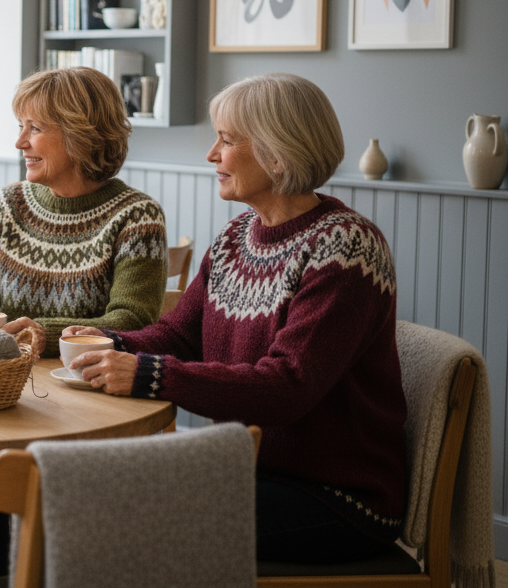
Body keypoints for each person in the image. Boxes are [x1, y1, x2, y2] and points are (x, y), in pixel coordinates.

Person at [68, 73, 407, 564]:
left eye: (226, 140)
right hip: (244, 468)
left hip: (338, 499)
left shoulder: (346, 248)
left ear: (278, 152)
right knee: (79, 492)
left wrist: (149, 374)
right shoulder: (235, 238)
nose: (211, 155)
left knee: (118, 518)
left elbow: (288, 386)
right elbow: (179, 334)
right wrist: (111, 343)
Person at [0, 66, 168, 583]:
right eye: (21, 127)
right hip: (5, 398)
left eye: (33, 128)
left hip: (91, 406)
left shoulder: (136, 216)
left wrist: (34, 330)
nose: (20, 142)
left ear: (80, 133)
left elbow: (130, 322)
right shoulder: (7, 205)